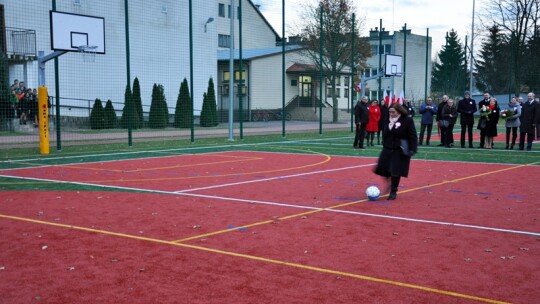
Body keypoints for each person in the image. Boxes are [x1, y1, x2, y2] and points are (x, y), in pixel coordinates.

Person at [374, 103, 418, 200]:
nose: (391, 114)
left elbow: (412, 135)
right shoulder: (386, 120)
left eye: (393, 112)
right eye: (390, 112)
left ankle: (393, 191)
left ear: (399, 111)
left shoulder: (407, 120)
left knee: (395, 171)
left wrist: (413, 148)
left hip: (399, 149)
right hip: (387, 147)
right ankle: (390, 180)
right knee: (380, 168)